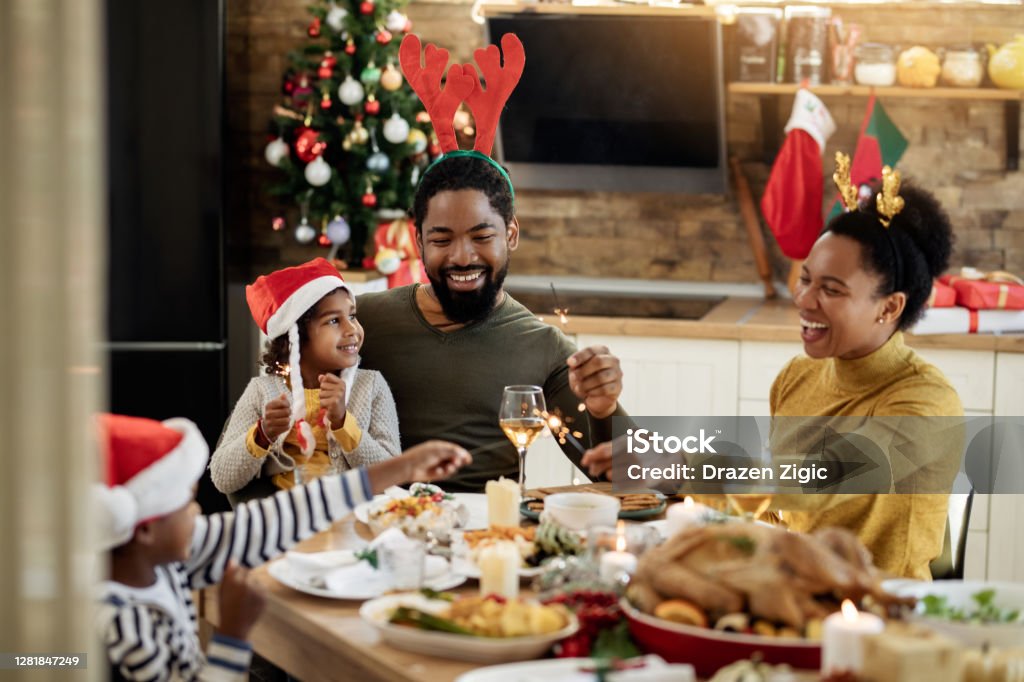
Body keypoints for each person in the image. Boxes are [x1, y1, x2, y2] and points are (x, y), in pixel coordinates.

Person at [354, 35, 627, 492]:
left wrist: (604, 410)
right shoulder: (361, 324)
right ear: (418, 239)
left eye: (482, 236)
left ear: (511, 235)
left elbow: (626, 476)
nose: (463, 257)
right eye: (441, 238)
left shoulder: (543, 346)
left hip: (490, 541)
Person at [95, 413, 470, 681]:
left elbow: (276, 518)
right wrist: (232, 634)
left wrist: (400, 469)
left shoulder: (161, 559)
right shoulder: (123, 626)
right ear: (143, 529)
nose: (197, 511)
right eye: (185, 504)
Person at [766, 155, 964, 579]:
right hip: (794, 599)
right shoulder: (795, 378)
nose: (804, 301)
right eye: (806, 280)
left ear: (890, 306)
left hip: (889, 620)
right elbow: (776, 517)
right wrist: (604, 412)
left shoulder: (927, 401)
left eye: (831, 289)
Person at [211, 258, 402, 504]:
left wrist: (344, 423)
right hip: (287, 524)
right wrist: (263, 434)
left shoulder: (371, 386)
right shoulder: (262, 391)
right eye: (334, 320)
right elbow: (222, 478)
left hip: (356, 518)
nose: (352, 329)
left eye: (352, 316)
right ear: (296, 337)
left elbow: (394, 475)